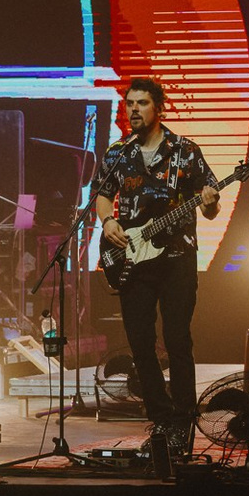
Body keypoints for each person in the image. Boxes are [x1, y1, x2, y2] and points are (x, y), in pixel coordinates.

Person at [93, 76, 218, 455]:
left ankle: (183, 423)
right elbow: (102, 195)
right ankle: (161, 421)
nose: (134, 109)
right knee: (140, 344)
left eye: (142, 103)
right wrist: (108, 221)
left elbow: (210, 209)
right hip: (133, 260)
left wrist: (210, 201)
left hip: (177, 260)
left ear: (158, 108)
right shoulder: (118, 152)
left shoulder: (185, 151)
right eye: (129, 103)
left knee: (177, 341)